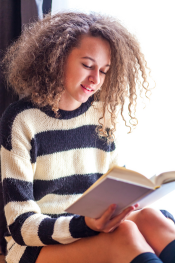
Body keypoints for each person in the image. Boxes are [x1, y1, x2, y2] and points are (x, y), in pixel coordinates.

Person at [0, 11, 175, 263]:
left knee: (152, 218)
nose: (95, 79)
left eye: (104, 70)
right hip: (36, 244)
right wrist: (85, 225)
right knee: (125, 234)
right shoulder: (21, 120)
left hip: (92, 227)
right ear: (57, 58)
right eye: (87, 65)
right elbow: (20, 225)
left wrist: (126, 204)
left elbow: (115, 183)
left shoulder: (101, 113)